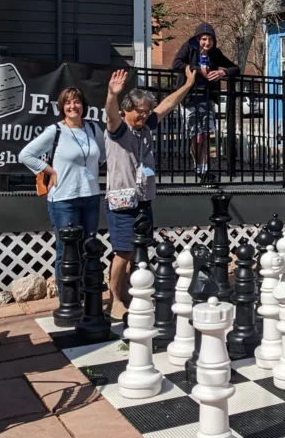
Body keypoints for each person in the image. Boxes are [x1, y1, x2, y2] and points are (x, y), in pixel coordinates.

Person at [104, 65, 197, 320]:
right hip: (121, 200)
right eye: (139, 112)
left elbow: (166, 105)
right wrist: (112, 94)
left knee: (140, 250)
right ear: (127, 110)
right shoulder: (118, 129)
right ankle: (115, 298)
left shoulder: (145, 128)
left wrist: (187, 86)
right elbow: (111, 114)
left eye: (146, 112)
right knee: (122, 250)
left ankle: (136, 292)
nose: (144, 116)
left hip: (143, 198)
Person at [19, 87, 105, 291]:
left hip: (91, 197)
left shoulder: (93, 129)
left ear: (83, 106)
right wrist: (50, 170)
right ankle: (67, 299)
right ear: (62, 107)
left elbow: (102, 155)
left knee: (88, 247)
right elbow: (25, 155)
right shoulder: (55, 131)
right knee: (66, 250)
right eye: (68, 103)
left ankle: (85, 297)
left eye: (76, 102)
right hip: (63, 200)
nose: (72, 106)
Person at [171, 22, 240, 184]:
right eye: (203, 39)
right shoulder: (189, 47)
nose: (206, 43)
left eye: (210, 39)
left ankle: (205, 170)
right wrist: (197, 69)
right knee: (197, 136)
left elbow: (235, 68)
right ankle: (198, 167)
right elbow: (176, 64)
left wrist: (222, 72)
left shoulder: (215, 53)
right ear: (197, 39)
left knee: (208, 136)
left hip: (207, 99)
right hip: (189, 98)